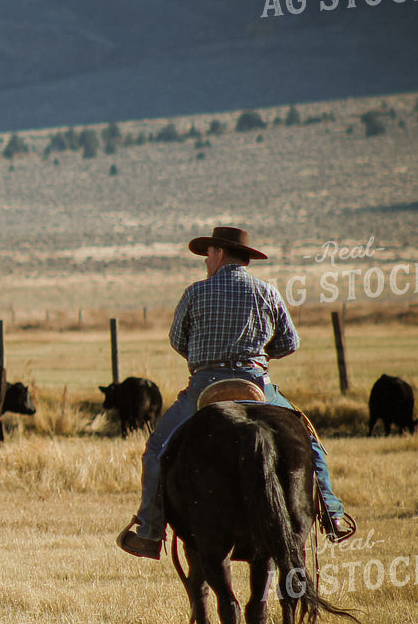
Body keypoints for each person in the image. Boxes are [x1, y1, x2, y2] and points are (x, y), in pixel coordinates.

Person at [116, 226, 354, 559]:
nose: (205, 261)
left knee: (156, 448)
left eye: (208, 254)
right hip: (256, 384)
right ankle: (332, 514)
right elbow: (290, 343)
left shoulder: (195, 293)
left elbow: (177, 341)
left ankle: (151, 531)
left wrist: (206, 357)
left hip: (204, 385)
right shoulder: (268, 292)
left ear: (220, 254)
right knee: (309, 441)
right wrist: (254, 355)